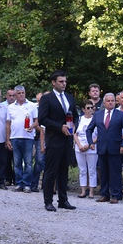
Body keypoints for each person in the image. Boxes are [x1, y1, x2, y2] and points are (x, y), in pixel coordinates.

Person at [37, 70, 79, 211]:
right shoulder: (46, 99)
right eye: (61, 81)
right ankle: (48, 201)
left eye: (65, 81)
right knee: (51, 171)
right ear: (53, 82)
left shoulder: (69, 97)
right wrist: (59, 126)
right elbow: (42, 119)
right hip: (54, 139)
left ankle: (63, 200)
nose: (64, 84)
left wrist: (74, 127)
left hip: (67, 139)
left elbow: (75, 116)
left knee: (63, 171)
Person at [86, 92, 123, 203]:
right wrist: (91, 142)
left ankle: (116, 195)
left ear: (115, 102)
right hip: (102, 148)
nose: (110, 102)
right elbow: (89, 129)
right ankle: (104, 194)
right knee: (103, 173)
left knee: (115, 173)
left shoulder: (120, 114)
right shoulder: (98, 115)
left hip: (116, 148)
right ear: (104, 102)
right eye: (108, 101)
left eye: (112, 101)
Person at [5, 85, 37, 192]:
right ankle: (19, 183)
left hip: (28, 137)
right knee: (17, 162)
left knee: (28, 162)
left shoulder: (32, 106)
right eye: (19, 93)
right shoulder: (10, 107)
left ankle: (27, 184)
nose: (21, 95)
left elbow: (37, 121)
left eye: (23, 92)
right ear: (15, 95)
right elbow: (8, 124)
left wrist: (32, 127)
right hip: (15, 137)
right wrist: (8, 139)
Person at [74, 100, 98, 197]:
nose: (90, 110)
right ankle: (83, 190)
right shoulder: (79, 119)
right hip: (79, 147)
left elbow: (98, 135)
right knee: (82, 170)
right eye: (88, 108)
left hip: (91, 147)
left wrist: (89, 144)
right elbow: (75, 133)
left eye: (92, 108)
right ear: (83, 109)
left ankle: (92, 191)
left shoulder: (96, 119)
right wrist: (79, 145)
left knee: (92, 170)